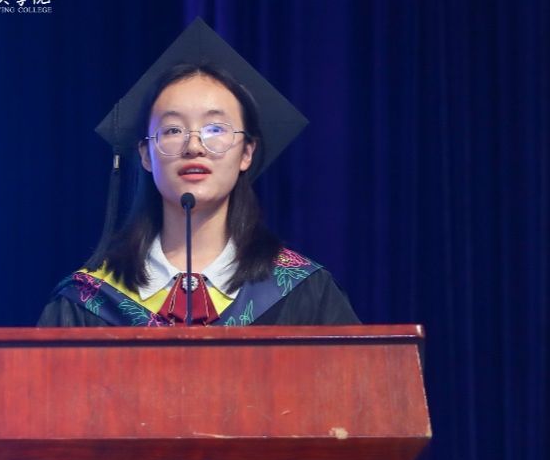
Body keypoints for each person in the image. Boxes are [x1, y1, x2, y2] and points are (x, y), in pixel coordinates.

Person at [37, 19, 359, 327]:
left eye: (215, 128)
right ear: (146, 155)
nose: (194, 146)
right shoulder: (88, 301)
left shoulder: (305, 295)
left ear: (247, 152)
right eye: (173, 130)